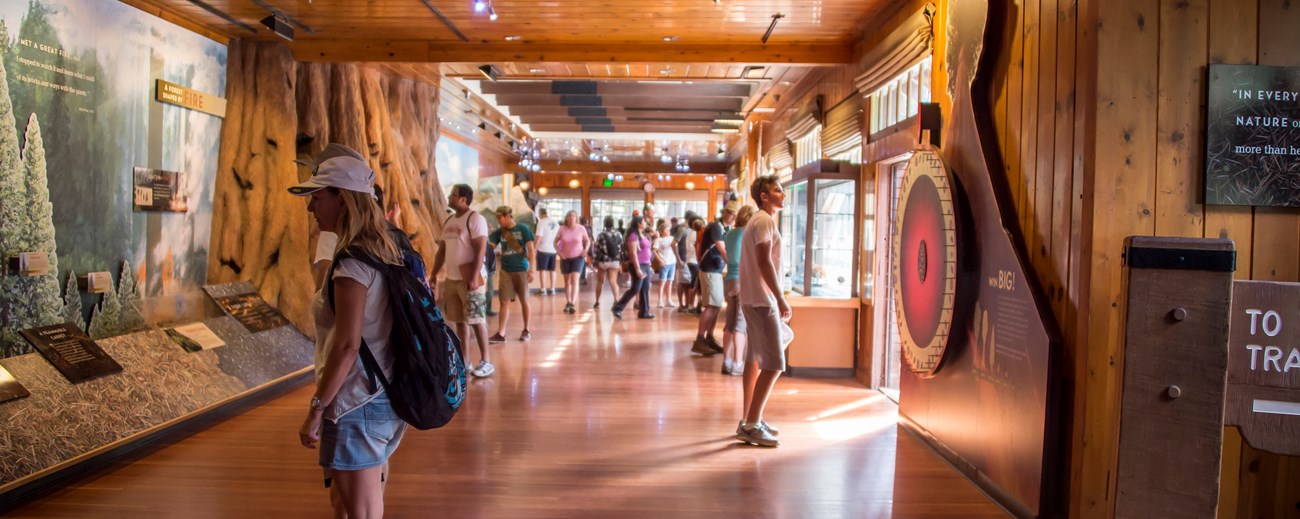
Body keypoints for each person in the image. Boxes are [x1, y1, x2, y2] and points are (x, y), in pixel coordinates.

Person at [290, 147, 406, 516]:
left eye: (318, 198)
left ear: (343, 199)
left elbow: (347, 346)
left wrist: (316, 408)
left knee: (362, 511)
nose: (311, 208)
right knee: (347, 501)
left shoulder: (353, 262)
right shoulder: (386, 248)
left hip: (358, 401)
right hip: (383, 393)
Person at [736, 176, 791, 448]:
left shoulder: (758, 220)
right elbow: (763, 260)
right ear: (764, 196)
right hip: (762, 300)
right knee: (774, 363)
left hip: (754, 298)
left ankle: (751, 417)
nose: (783, 194)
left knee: (756, 358)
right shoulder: (764, 221)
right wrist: (780, 298)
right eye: (777, 190)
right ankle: (751, 425)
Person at [429, 184, 493, 378]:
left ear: (464, 199)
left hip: (470, 280)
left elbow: (481, 248)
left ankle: (486, 361)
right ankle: (464, 360)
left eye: (454, 195)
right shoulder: (449, 221)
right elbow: (442, 250)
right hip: (452, 279)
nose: (450, 197)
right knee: (459, 321)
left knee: (476, 319)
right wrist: (433, 275)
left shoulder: (475, 219)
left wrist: (474, 277)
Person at [693, 204, 736, 356]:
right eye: (730, 213)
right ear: (724, 212)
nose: (732, 216)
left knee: (717, 305)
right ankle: (699, 339)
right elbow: (721, 248)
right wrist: (734, 264)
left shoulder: (727, 229)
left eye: (734, 214)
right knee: (712, 305)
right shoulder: (715, 227)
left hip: (716, 270)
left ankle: (709, 337)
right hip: (709, 269)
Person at [488, 206, 536, 342]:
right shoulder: (499, 232)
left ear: (508, 216)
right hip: (506, 271)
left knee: (524, 300)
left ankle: (526, 329)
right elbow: (489, 246)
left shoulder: (523, 229)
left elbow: (531, 250)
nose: (498, 221)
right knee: (504, 301)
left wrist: (532, 269)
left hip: (521, 270)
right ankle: (501, 333)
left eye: (500, 218)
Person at [721, 205, 756, 376]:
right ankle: (738, 363)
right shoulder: (749, 235)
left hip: (729, 280)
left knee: (729, 323)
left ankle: (726, 361)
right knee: (740, 325)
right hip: (744, 280)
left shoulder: (729, 234)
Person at [611, 215, 653, 320]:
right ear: (639, 223)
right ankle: (617, 307)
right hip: (637, 264)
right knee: (635, 288)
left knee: (645, 288)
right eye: (644, 221)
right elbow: (633, 253)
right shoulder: (633, 235)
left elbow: (646, 248)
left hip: (646, 264)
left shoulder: (642, 234)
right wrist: (638, 269)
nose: (646, 223)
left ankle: (644, 312)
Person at [555, 210, 591, 314]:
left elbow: (587, 241)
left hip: (578, 257)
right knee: (567, 281)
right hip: (565, 258)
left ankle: (573, 303)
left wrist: (586, 250)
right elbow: (555, 243)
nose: (572, 218)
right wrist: (559, 253)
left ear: (576, 218)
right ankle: (568, 301)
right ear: (566, 218)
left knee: (575, 280)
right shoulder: (562, 229)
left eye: (574, 216)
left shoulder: (581, 228)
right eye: (570, 216)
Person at [591, 216, 624, 309]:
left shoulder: (601, 235)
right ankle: (616, 301)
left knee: (600, 282)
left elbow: (596, 250)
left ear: (605, 223)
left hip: (603, 262)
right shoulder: (619, 234)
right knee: (613, 281)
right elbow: (621, 249)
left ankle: (597, 302)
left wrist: (594, 263)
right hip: (615, 262)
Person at [534, 208, 560, 295]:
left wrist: (534, 249)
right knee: (552, 270)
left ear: (540, 214)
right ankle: (552, 289)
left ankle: (543, 290)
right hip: (553, 249)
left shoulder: (541, 222)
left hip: (543, 249)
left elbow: (538, 237)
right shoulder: (555, 223)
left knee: (543, 270)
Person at [652, 219, 677, 309]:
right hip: (664, 263)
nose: (669, 231)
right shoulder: (658, 240)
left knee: (670, 282)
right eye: (667, 229)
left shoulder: (672, 238)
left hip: (672, 263)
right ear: (662, 231)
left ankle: (669, 300)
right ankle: (660, 300)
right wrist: (660, 260)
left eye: (669, 229)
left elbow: (676, 247)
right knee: (662, 282)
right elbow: (654, 251)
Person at [678, 218, 701, 313]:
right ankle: (691, 306)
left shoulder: (690, 233)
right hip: (694, 260)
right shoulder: (696, 234)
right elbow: (697, 247)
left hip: (690, 260)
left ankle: (697, 304)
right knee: (694, 284)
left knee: (695, 284)